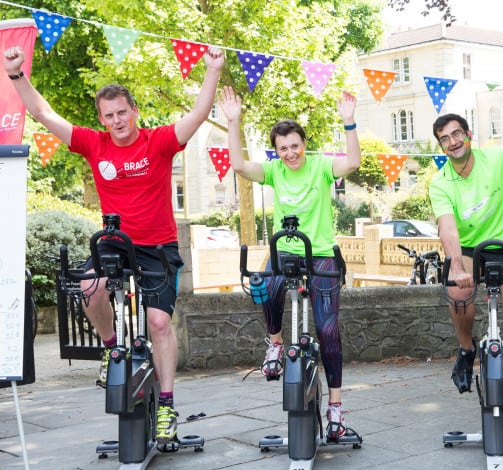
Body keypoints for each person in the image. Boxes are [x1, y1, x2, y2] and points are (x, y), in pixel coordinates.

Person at [3, 45, 224, 444]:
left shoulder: (158, 142)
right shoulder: (94, 144)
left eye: (122, 112)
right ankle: (110, 348)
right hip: (115, 243)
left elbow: (197, 114)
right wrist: (17, 74)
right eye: (109, 115)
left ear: (134, 111)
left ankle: (168, 406)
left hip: (157, 246)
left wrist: (212, 70)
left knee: (158, 323)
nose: (117, 120)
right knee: (90, 287)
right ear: (101, 119)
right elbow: (44, 114)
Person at [219, 86, 360, 435]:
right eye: (283, 148)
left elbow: (353, 162)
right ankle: (276, 343)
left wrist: (349, 124)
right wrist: (233, 122)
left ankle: (336, 408)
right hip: (284, 251)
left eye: (295, 145)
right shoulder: (273, 171)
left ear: (303, 144)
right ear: (276, 150)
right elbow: (237, 164)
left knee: (328, 330)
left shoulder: (322, 167)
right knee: (262, 287)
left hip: (321, 254)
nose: (290, 153)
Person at [429, 109, 503, 431]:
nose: (452, 142)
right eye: (445, 139)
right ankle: (467, 350)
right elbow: (448, 228)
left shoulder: (496, 159)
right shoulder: (440, 182)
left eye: (456, 134)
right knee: (458, 292)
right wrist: (456, 264)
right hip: (468, 249)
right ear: (441, 147)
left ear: (468, 135)